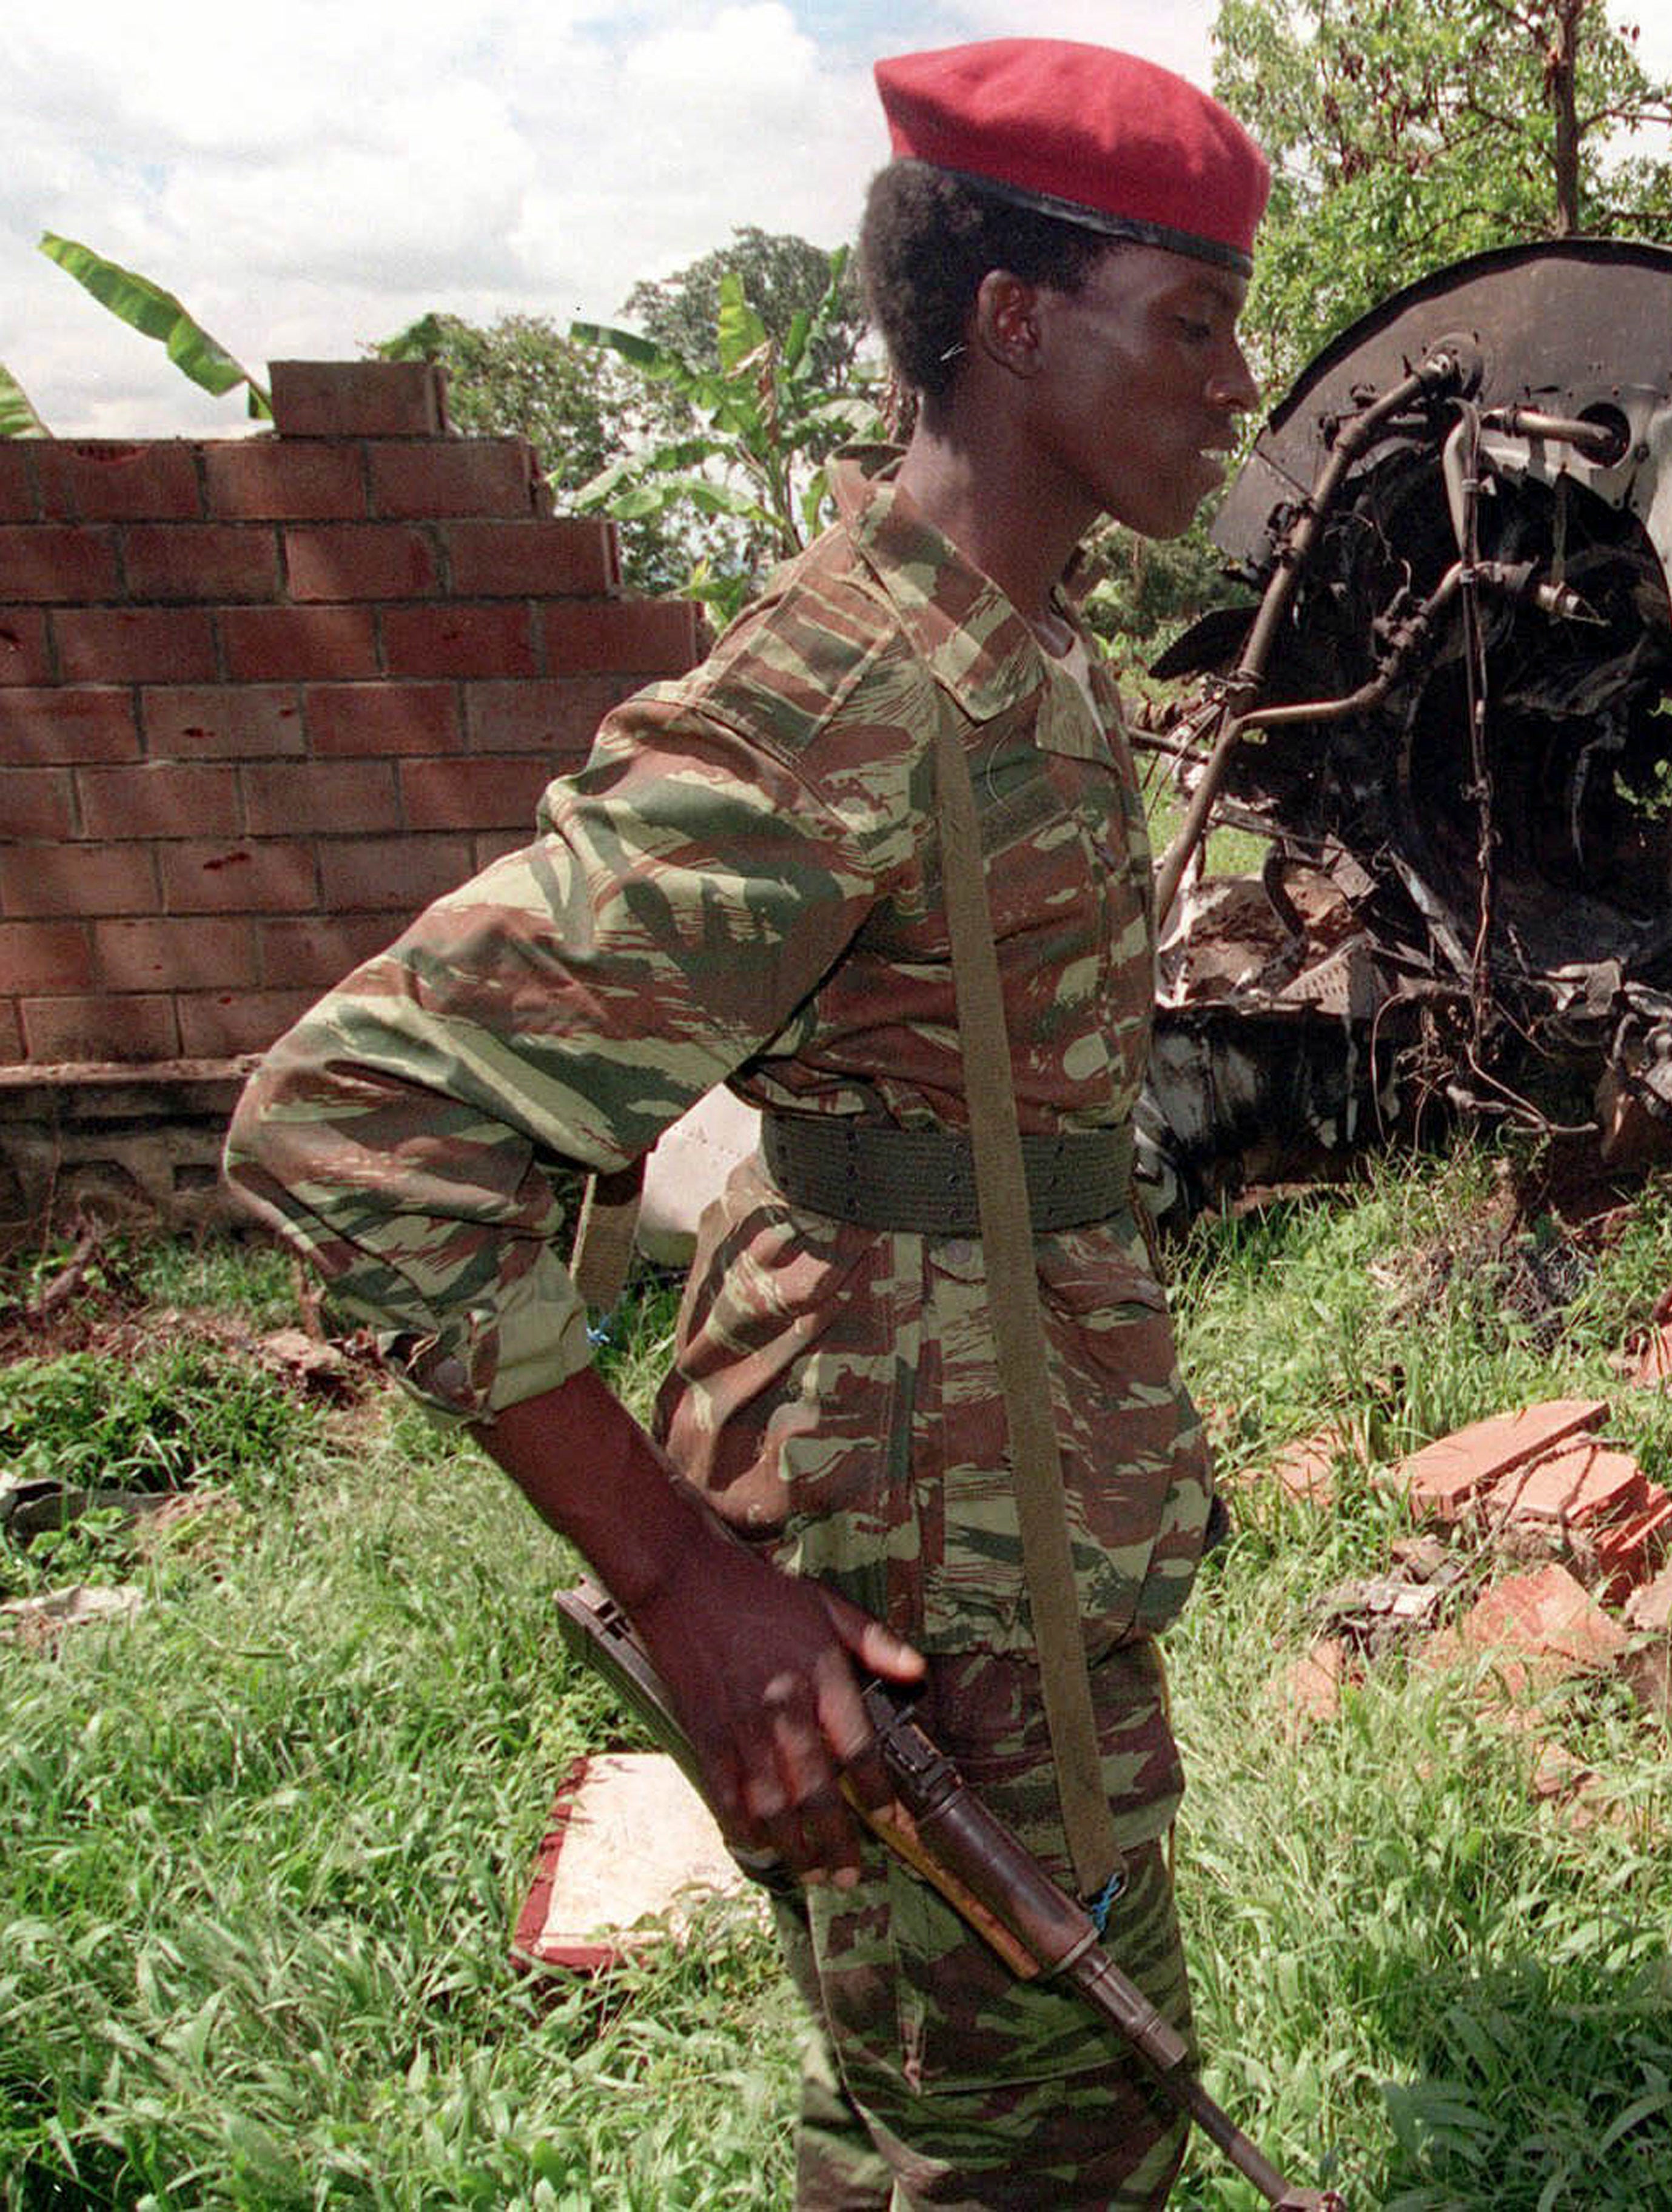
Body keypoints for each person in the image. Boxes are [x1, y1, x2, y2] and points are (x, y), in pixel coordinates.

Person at [223, 38, 1266, 2208]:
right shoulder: (852, 698)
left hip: (1007, 1509)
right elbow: (351, 1116)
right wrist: (685, 1578)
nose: (1235, 380)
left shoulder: (1021, 645)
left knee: (924, 2119)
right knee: (1046, 2148)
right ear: (1012, 325)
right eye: (1192, 323)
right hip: (924, 1576)